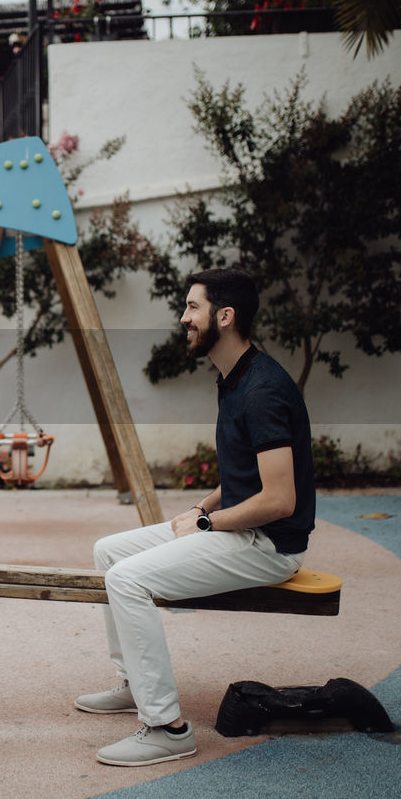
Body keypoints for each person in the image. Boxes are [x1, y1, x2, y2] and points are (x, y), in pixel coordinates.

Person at [77, 267, 315, 767]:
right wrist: (201, 509)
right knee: (109, 552)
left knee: (125, 579)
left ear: (224, 317)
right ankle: (134, 684)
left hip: (269, 546)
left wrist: (209, 525)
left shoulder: (262, 391)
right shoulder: (235, 378)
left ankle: (167, 727)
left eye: (192, 307)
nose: (183, 317)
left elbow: (279, 500)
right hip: (239, 528)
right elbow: (246, 475)